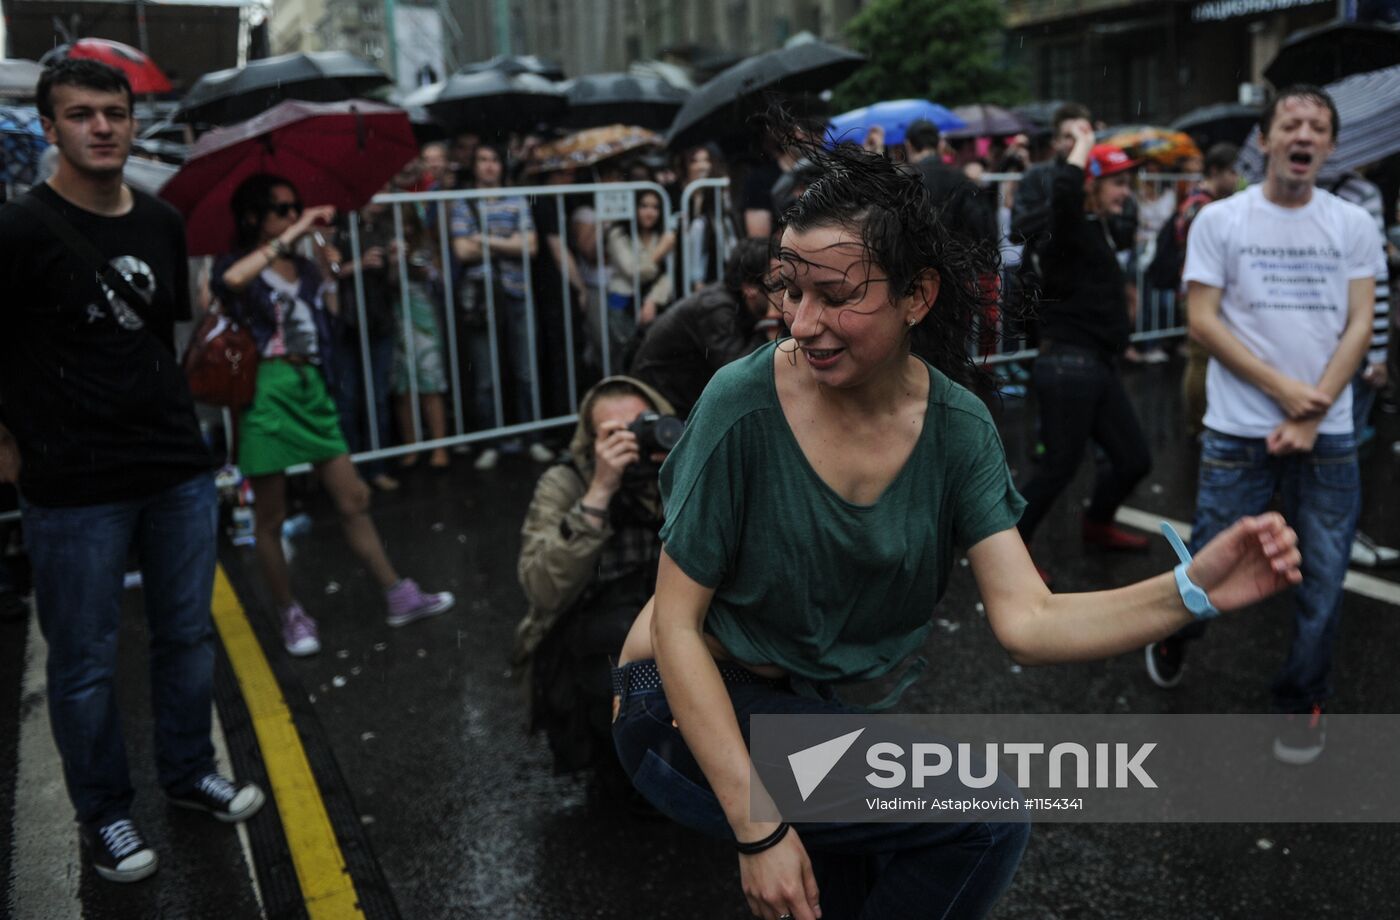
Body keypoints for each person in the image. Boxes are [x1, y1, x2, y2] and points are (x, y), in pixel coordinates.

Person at [611, 127, 1302, 920]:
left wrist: (1189, 590)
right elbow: (676, 625)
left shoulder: (958, 427)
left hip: (805, 706)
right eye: (790, 290)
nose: (800, 322)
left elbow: (1029, 620)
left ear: (918, 296)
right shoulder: (741, 402)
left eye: (837, 296)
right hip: (676, 706)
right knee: (980, 816)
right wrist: (758, 828)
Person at [0, 59, 265, 884]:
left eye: (115, 112)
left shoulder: (160, 222)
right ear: (50, 127)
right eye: (81, 114)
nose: (102, 127)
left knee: (186, 637)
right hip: (73, 483)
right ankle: (106, 812)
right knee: (85, 664)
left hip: (174, 466)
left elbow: (158, 338)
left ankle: (188, 774)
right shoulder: (19, 230)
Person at [1145, 87, 1376, 766]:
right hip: (1238, 432)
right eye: (1291, 123)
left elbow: (1360, 322)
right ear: (1266, 140)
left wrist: (1316, 412)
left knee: (1323, 577)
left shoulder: (1352, 222)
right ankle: (1174, 632)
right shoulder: (1221, 220)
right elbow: (1202, 321)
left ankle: (1302, 699)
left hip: (1329, 436)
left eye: (1318, 127)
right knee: (1209, 567)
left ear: (1330, 146)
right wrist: (1287, 394)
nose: (1304, 134)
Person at [214, 174, 455, 657]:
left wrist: (328, 270)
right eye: (282, 209)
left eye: (295, 206)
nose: (293, 215)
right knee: (270, 515)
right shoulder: (237, 263)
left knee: (353, 497)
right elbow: (230, 284)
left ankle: (396, 592)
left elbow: (330, 315)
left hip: (310, 385)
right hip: (265, 389)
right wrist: (293, 233)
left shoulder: (304, 265)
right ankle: (289, 612)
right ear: (254, 217)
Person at [514, 376, 676, 799]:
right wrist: (600, 491)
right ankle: (627, 773)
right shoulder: (567, 482)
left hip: (678, 621)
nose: (634, 440)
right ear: (590, 443)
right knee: (616, 649)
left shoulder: (685, 468)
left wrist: (678, 473)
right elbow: (541, 588)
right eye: (616, 434)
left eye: (644, 424)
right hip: (600, 643)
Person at [1015, 137, 1155, 562]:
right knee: (1058, 468)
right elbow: (1064, 193)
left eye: (1127, 183)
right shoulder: (1067, 226)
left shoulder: (1098, 227)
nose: (1126, 192)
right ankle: (1011, 553)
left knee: (1133, 460)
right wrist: (1084, 143)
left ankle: (1097, 524)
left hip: (1097, 365)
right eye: (1117, 183)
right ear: (1090, 185)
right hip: (1068, 367)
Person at [450, 143, 548, 470]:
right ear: (474, 166)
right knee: (486, 377)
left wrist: (484, 240)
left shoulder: (516, 198)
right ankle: (491, 442)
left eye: (494, 159)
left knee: (527, 371)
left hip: (517, 291)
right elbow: (462, 251)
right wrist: (507, 243)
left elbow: (530, 246)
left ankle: (533, 438)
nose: (490, 165)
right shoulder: (463, 202)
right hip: (481, 298)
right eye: (483, 160)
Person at [629, 237, 780, 419]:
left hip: (684, 397)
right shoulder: (716, 308)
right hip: (661, 403)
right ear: (749, 288)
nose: (785, 291)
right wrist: (770, 324)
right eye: (777, 284)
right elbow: (739, 375)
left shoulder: (739, 305)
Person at [1158, 142, 1240, 438]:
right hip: (1197, 292)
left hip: (1206, 291)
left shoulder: (1207, 202)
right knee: (1200, 359)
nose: (1237, 179)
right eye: (1232, 172)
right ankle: (1198, 424)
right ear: (1215, 171)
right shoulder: (1202, 206)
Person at [332, 194, 402, 492]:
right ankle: (352, 473)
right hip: (346, 324)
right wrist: (359, 264)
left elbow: (394, 282)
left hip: (379, 320)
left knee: (378, 397)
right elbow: (329, 273)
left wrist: (395, 262)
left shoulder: (388, 227)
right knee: (348, 400)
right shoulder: (339, 227)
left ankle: (377, 468)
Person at [389, 207, 451, 470]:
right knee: (402, 386)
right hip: (396, 319)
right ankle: (411, 445)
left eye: (407, 224)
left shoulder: (425, 244)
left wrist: (425, 269)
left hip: (424, 318)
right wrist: (393, 261)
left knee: (430, 381)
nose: (404, 230)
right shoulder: (386, 244)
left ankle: (439, 446)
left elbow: (441, 279)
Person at [603, 189, 676, 366]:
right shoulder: (617, 234)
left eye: (655, 207)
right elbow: (633, 272)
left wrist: (652, 299)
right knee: (624, 359)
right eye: (643, 206)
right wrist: (660, 251)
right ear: (633, 207)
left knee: (649, 359)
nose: (649, 212)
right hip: (622, 304)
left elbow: (667, 275)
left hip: (651, 306)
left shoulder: (661, 235)